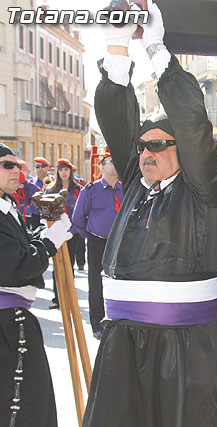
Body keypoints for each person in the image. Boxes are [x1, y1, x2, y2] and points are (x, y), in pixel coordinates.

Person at [83, 2, 217, 425]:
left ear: (182, 152)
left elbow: (192, 124)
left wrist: (155, 49)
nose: (146, 153)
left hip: (185, 352)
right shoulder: (137, 183)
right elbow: (116, 122)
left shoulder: (204, 190)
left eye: (158, 145)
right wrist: (115, 47)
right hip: (123, 348)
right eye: (142, 145)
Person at [0, 142, 72, 427]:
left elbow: (22, 246)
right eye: (7, 164)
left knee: (31, 399)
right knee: (19, 405)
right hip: (6, 321)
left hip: (13, 318)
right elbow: (14, 264)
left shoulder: (7, 205)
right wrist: (49, 243)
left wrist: (46, 229)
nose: (16, 170)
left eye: (17, 165)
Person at [71, 153, 124, 340]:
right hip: (97, 241)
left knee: (118, 280)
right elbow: (78, 218)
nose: (115, 166)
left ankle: (116, 318)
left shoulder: (123, 189)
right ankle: (97, 323)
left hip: (118, 242)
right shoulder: (91, 189)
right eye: (111, 162)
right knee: (96, 283)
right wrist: (90, 236)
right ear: (102, 167)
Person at [45, 158, 82, 310]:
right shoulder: (50, 190)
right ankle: (57, 297)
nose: (63, 173)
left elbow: (80, 213)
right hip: (56, 232)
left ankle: (68, 295)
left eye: (66, 169)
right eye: (60, 170)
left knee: (69, 264)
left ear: (70, 171)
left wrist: (73, 231)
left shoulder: (78, 189)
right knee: (57, 264)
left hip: (72, 232)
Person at [27, 157, 51, 229]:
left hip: (51, 215)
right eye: (37, 167)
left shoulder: (54, 181)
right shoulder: (30, 183)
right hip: (36, 216)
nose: (40, 169)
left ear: (47, 168)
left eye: (43, 166)